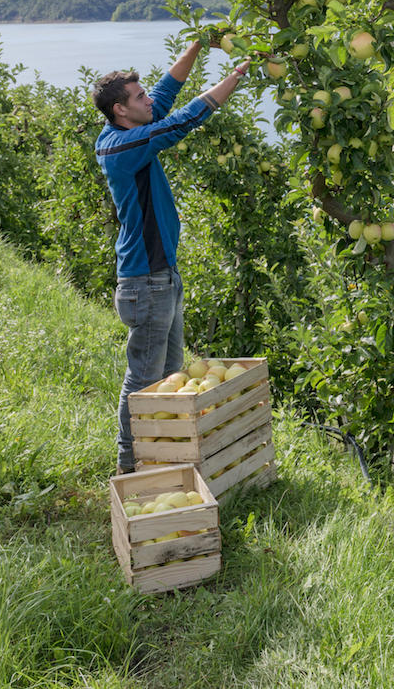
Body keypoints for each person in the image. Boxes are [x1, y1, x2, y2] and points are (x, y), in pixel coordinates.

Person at [92, 37, 248, 475]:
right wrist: (234, 77)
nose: (148, 101)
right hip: (145, 282)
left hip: (164, 277)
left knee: (170, 374)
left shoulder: (129, 128)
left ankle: (165, 453)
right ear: (121, 110)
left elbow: (164, 94)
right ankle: (130, 465)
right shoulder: (119, 147)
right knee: (143, 380)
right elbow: (180, 121)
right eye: (138, 98)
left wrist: (198, 46)